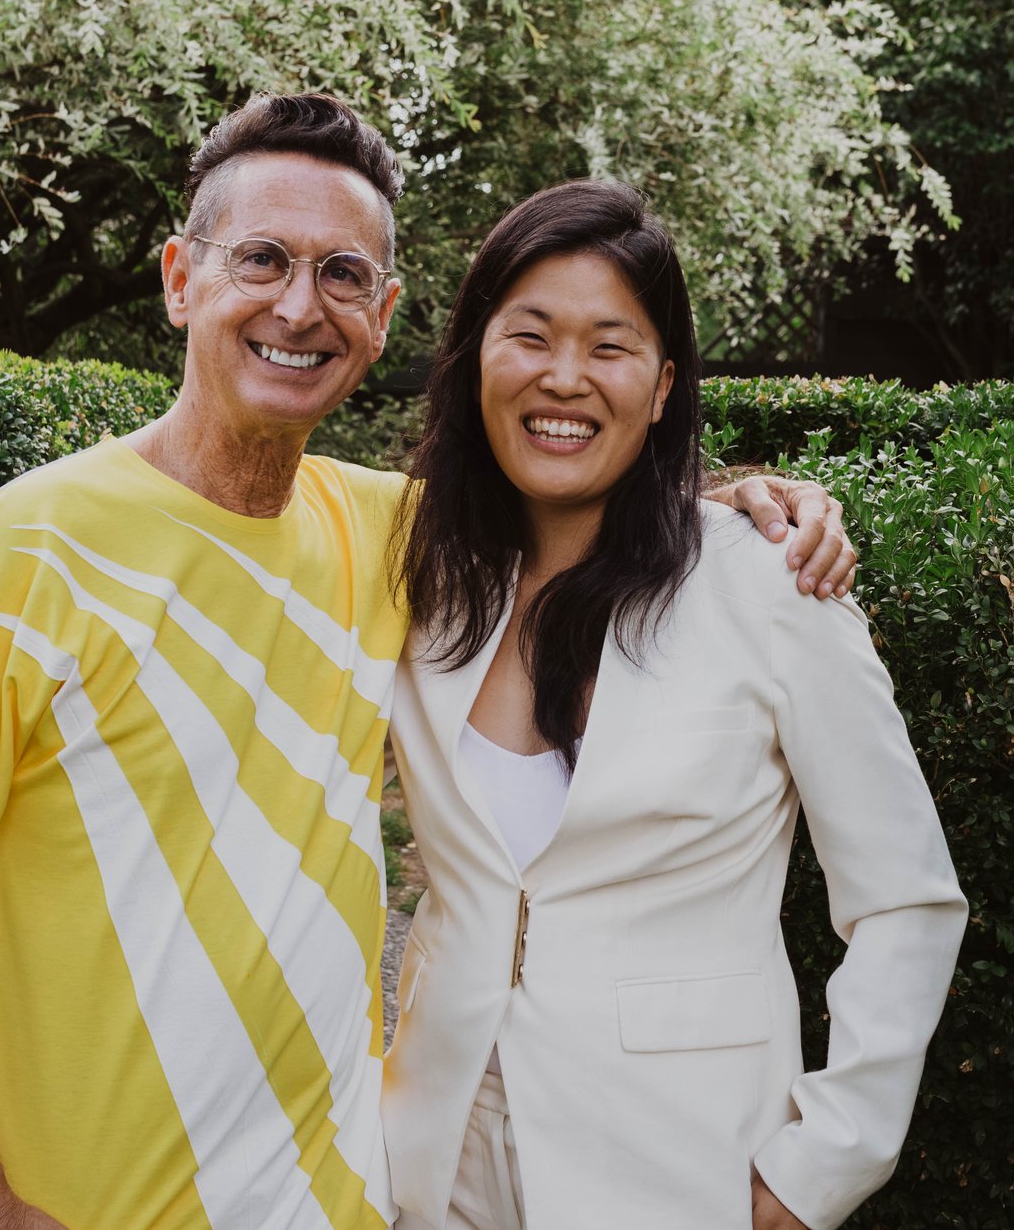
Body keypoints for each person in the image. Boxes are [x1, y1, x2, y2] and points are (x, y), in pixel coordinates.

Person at [0, 94, 855, 1230]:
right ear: (179, 278)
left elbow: (577, 496)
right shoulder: (27, 546)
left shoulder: (393, 534)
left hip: (343, 1203)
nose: (299, 306)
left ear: (383, 313)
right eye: (260, 257)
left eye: (344, 274)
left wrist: (743, 506)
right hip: (87, 1208)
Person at [383, 180, 966, 1230]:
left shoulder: (766, 582)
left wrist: (821, 1163)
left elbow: (905, 898)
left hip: (678, 1162)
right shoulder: (414, 572)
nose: (564, 376)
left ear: (661, 386)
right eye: (530, 334)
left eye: (610, 345)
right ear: (475, 354)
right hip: (433, 1157)